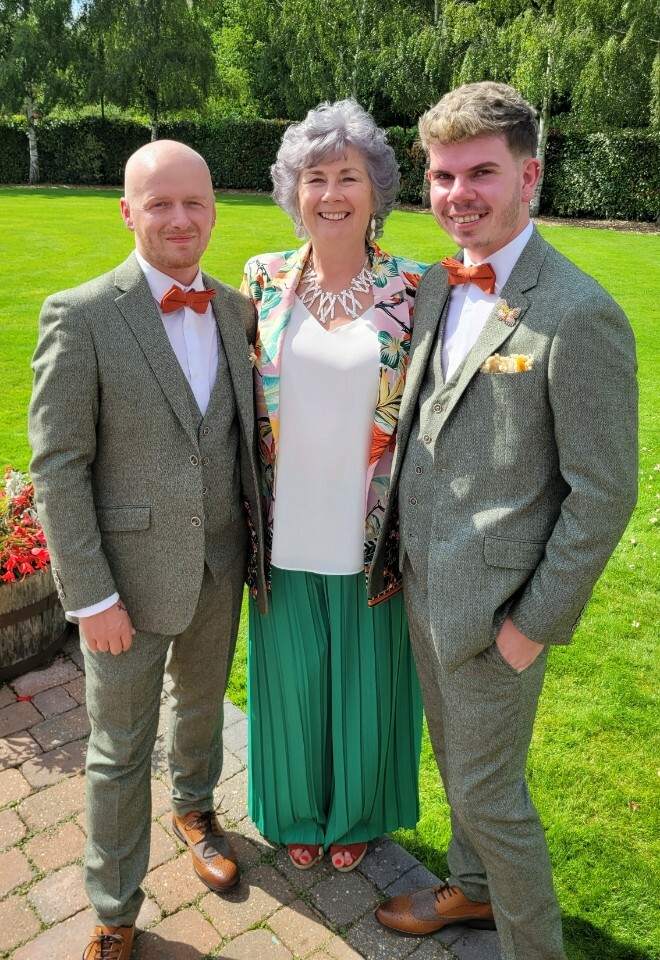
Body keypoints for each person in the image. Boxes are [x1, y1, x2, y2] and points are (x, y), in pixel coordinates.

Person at [372, 82, 638, 959]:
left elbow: (604, 494)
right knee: (456, 765)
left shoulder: (580, 313)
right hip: (426, 587)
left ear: (529, 175)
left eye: (480, 173)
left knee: (493, 799)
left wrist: (533, 626)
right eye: (443, 176)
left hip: (499, 617)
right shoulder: (437, 286)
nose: (458, 195)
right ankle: (473, 892)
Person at [28, 140, 266, 960]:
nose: (179, 218)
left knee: (200, 710)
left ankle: (195, 808)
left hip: (219, 567)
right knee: (117, 752)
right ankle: (114, 908)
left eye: (193, 201)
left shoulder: (236, 311)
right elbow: (59, 466)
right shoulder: (81, 314)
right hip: (122, 585)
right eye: (159, 203)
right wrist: (90, 595)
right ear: (128, 211)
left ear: (214, 210)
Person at [241, 100, 425, 873]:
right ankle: (292, 810)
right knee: (290, 677)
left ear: (375, 187)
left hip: (371, 526)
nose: (331, 193)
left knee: (364, 681)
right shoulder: (261, 279)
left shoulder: (416, 288)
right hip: (282, 522)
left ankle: (356, 813)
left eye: (348, 175)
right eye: (314, 177)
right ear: (294, 190)